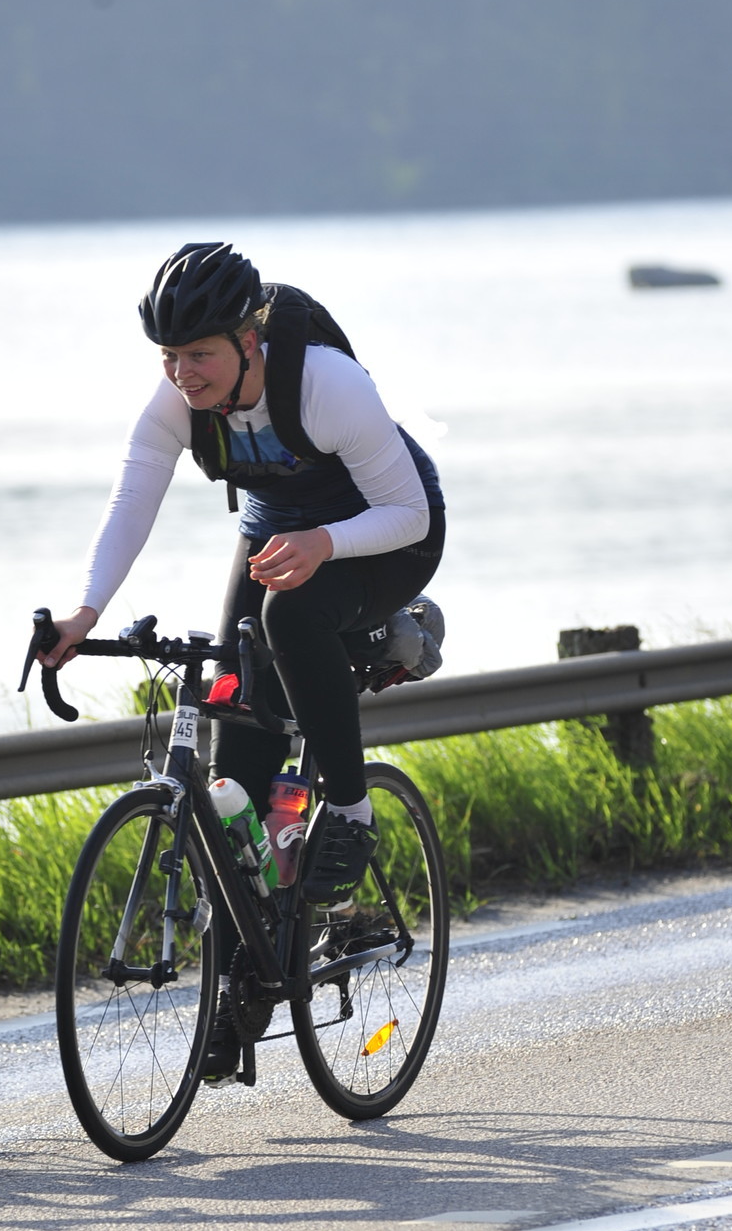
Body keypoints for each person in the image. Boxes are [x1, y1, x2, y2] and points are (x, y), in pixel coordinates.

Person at [42, 240, 445, 1079]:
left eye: (200, 355)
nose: (182, 373)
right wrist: (84, 613)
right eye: (169, 356)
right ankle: (242, 989)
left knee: (290, 616)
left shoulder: (327, 384)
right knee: (235, 769)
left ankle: (350, 812)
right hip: (277, 529)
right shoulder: (178, 402)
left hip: (384, 533)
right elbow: (132, 500)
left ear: (248, 341)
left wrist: (325, 542)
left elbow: (407, 511)